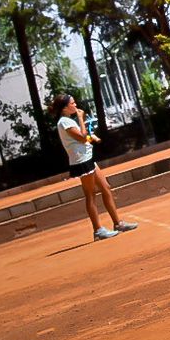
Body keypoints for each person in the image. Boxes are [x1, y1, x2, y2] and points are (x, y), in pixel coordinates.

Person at [50, 94, 136, 242]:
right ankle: (98, 230)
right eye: (73, 103)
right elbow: (82, 137)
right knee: (90, 195)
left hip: (87, 158)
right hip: (81, 161)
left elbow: (82, 139)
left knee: (106, 188)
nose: (75, 105)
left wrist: (91, 137)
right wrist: (81, 119)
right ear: (65, 108)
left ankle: (118, 223)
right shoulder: (64, 122)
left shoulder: (68, 121)